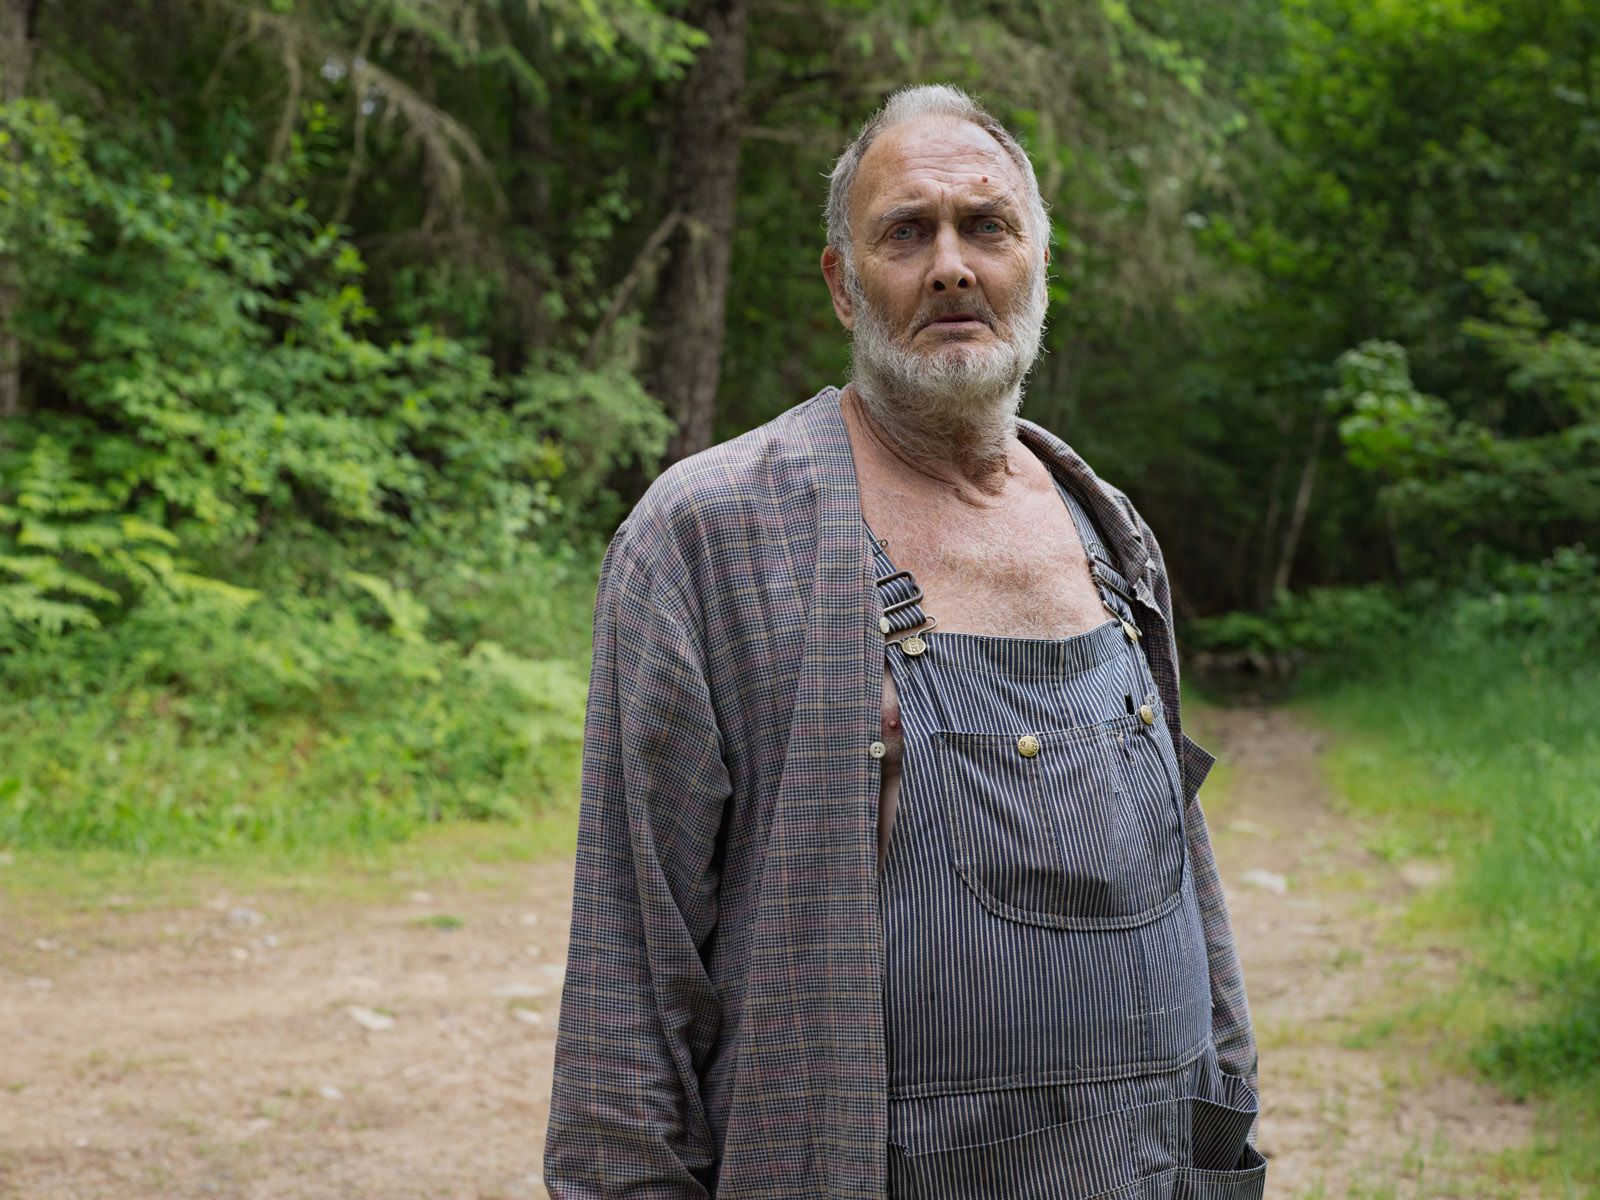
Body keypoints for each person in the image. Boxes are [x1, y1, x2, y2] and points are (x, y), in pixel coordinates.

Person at [544, 84, 1261, 1199]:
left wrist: (1233, 1126)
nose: (950, 266)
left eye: (986, 226)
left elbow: (1189, 895)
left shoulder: (1107, 530)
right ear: (842, 284)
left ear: (1035, 263)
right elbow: (628, 987)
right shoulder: (710, 538)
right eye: (904, 232)